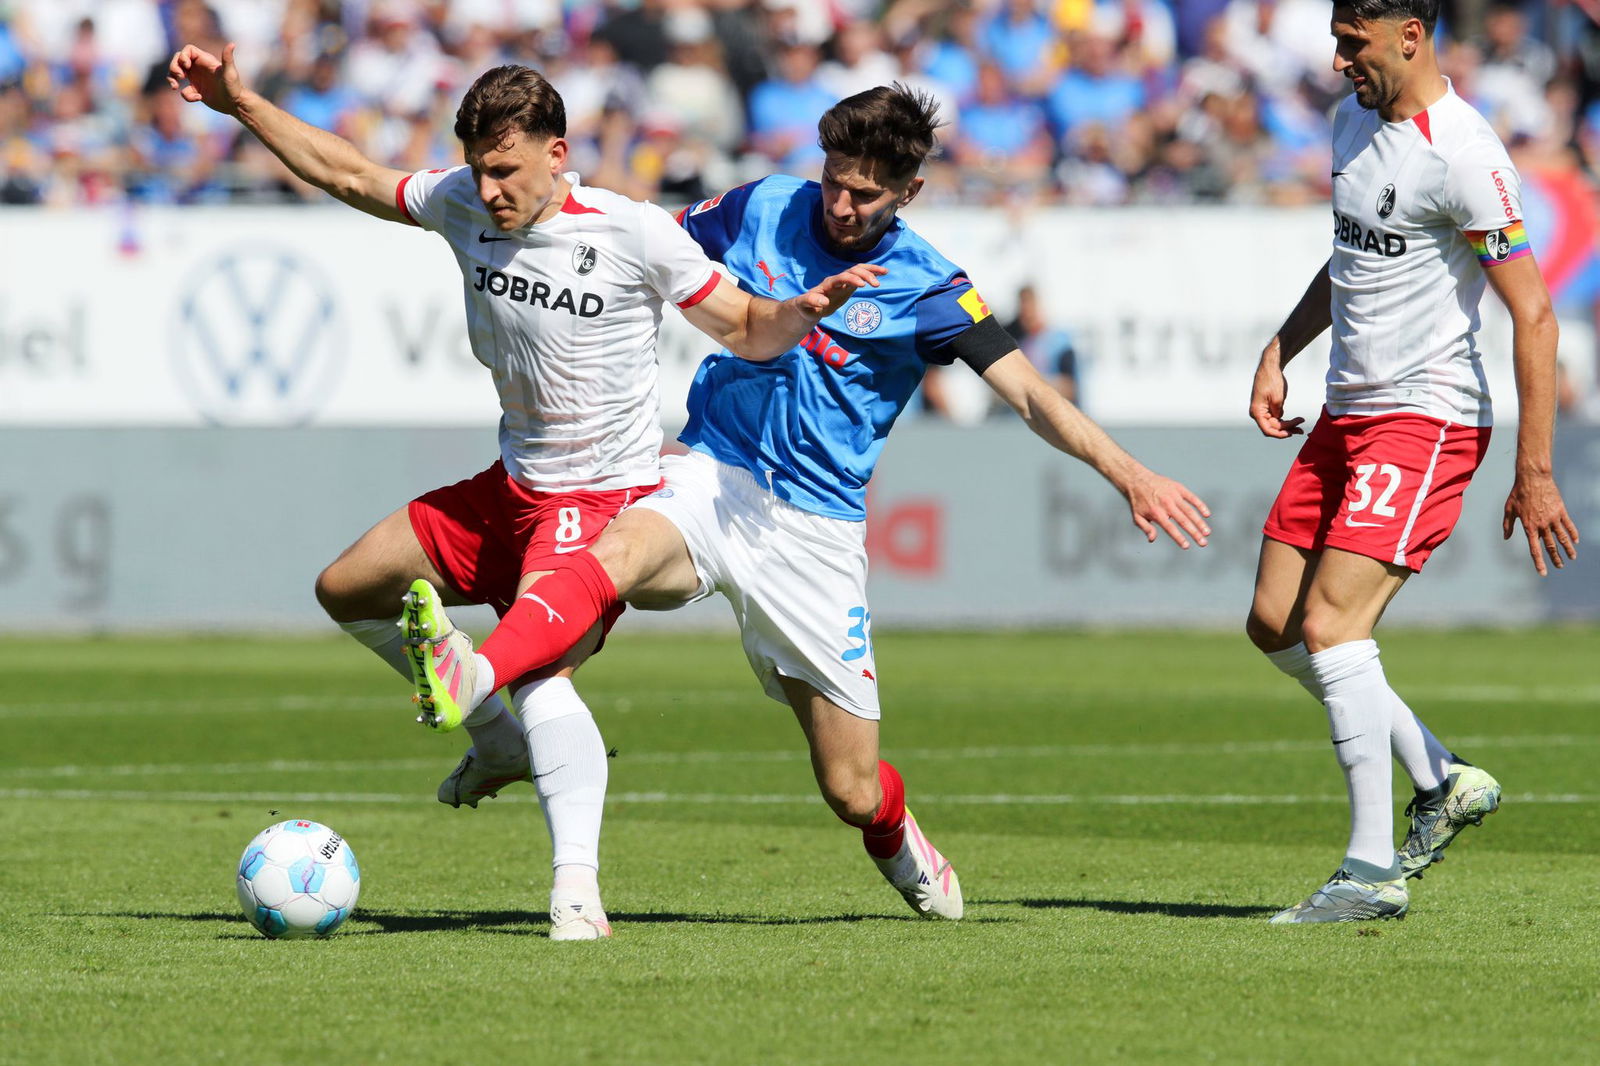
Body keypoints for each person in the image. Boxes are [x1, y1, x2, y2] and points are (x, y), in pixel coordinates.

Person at [403, 84, 1213, 927]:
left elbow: (1031, 397)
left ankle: (900, 835)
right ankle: (485, 677)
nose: (841, 203)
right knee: (610, 557)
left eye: (866, 193)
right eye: (833, 179)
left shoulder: (929, 287)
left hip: (814, 531)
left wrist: (1130, 474)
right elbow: (639, 261)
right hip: (712, 472)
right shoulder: (764, 204)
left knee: (851, 788)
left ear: (908, 193)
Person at [167, 45, 885, 940]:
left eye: (506, 169)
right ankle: (494, 739)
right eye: (479, 168)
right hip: (513, 485)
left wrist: (799, 314)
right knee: (346, 587)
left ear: (557, 152)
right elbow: (348, 171)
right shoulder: (462, 201)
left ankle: (576, 892)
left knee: (542, 676)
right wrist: (240, 104)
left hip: (601, 501)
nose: (491, 188)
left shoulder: (630, 231)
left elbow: (742, 326)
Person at [1244, 0, 1580, 924]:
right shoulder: (1352, 120)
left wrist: (1536, 468)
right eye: (1336, 39)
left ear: (1410, 36)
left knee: (1333, 624)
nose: (1341, 58)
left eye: (1354, 42)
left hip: (1424, 419)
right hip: (1348, 411)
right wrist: (1285, 345)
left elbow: (1536, 315)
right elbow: (1350, 256)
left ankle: (1369, 871)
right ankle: (1442, 778)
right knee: (1274, 621)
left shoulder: (1463, 154)